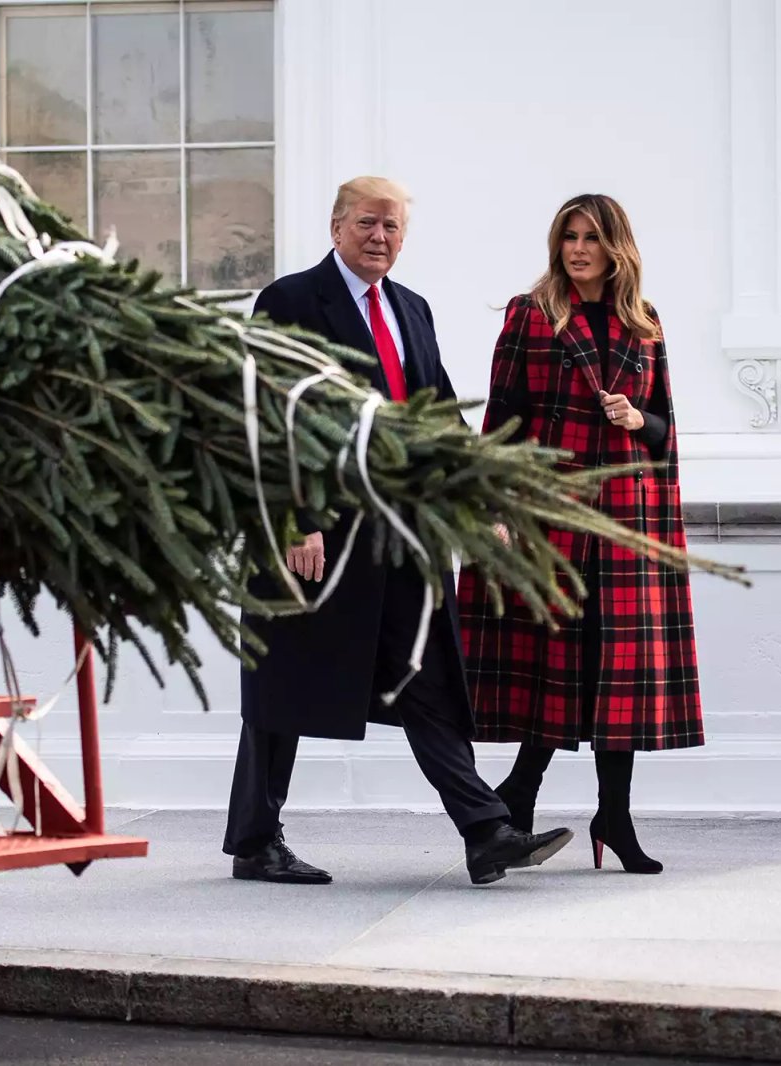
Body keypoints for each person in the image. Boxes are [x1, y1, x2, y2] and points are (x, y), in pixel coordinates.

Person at [224, 176, 574, 887]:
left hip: (404, 535)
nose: (380, 237)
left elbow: (439, 416)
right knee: (283, 687)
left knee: (431, 679)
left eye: (392, 227)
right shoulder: (289, 301)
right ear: (336, 226)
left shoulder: (412, 309)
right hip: (319, 532)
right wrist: (295, 517)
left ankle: (486, 834)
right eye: (367, 223)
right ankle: (257, 840)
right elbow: (267, 415)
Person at [457, 193, 701, 875]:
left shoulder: (645, 323)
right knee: (555, 656)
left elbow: (663, 429)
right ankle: (521, 795)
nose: (578, 249)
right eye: (569, 237)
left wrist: (636, 422)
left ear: (616, 245)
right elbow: (502, 421)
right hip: (550, 508)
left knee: (614, 664)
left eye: (592, 237)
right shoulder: (531, 315)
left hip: (626, 514)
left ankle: (611, 815)